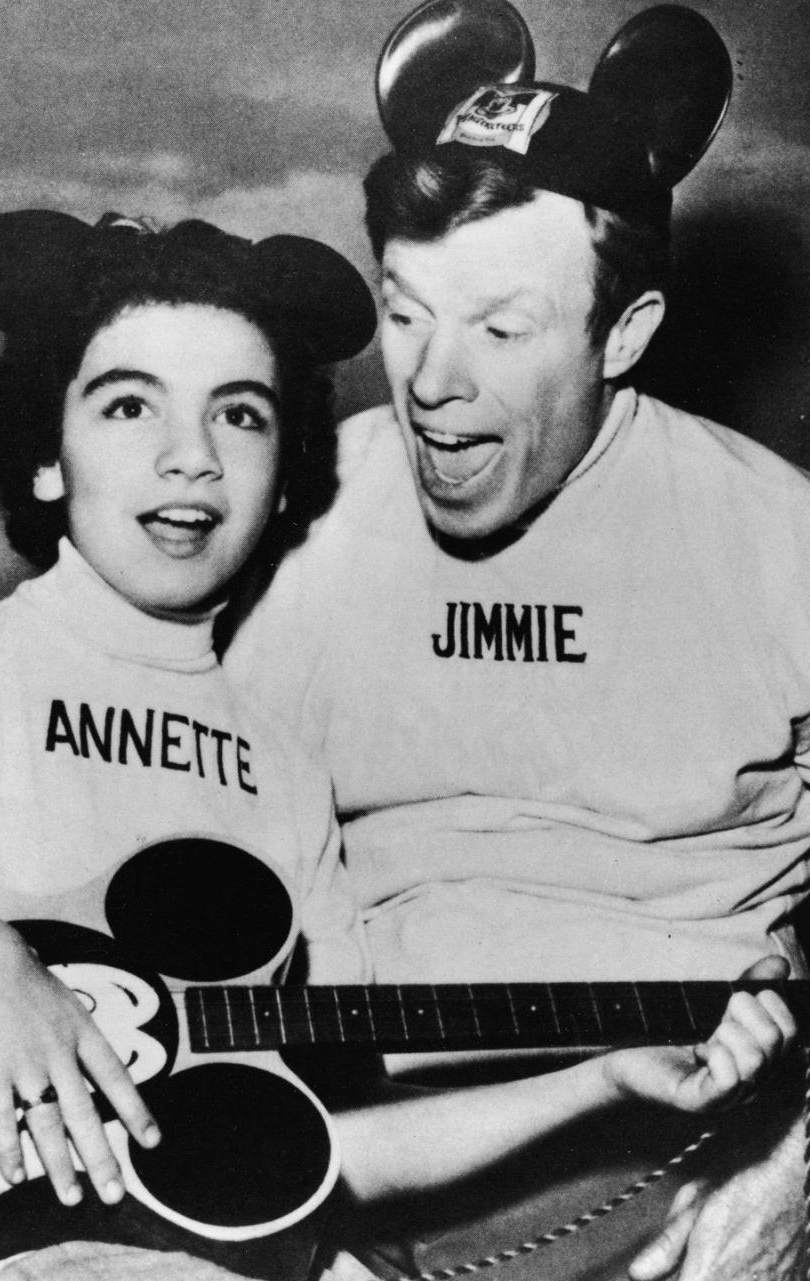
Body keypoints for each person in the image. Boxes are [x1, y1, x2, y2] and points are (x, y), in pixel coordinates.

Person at [0, 208, 795, 1281]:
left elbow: (312, 1155)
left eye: (240, 416)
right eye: (127, 406)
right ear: (44, 459)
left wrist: (601, 1082)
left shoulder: (283, 782)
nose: (190, 458)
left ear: (287, 475)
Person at [221, 4, 810, 1278]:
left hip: (686, 1193)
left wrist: (796, 1179)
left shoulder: (780, 544)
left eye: (500, 329)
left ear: (626, 334)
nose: (432, 381)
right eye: (408, 311)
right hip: (329, 1180)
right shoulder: (282, 522)